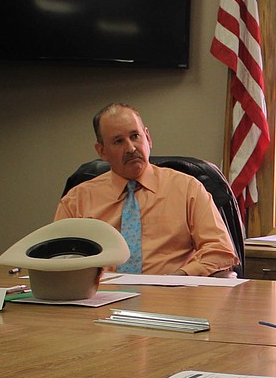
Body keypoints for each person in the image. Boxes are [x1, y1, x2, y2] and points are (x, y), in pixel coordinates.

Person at [55, 103, 239, 277]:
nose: (131, 148)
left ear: (148, 138)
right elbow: (58, 258)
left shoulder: (187, 189)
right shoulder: (77, 200)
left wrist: (179, 277)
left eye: (135, 136)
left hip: (171, 296)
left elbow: (220, 251)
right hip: (101, 298)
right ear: (102, 151)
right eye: (118, 141)